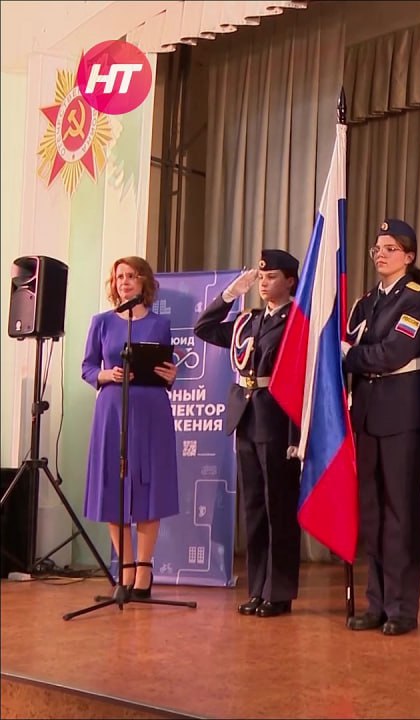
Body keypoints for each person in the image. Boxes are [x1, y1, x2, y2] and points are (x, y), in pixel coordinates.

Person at [194, 250, 302, 618]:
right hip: (246, 416)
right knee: (254, 509)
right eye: (260, 276)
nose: (264, 282)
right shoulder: (248, 320)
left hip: (276, 418)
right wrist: (227, 295)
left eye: (270, 276)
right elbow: (204, 329)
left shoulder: (296, 320)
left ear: (289, 280)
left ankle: (280, 591)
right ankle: (258, 588)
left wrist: (295, 435)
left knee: (278, 508)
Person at [343, 218, 420, 637]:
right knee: (374, 514)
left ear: (409, 256)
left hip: (403, 414)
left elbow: (394, 353)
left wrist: (350, 356)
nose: (380, 254)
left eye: (389, 248)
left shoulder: (417, 300)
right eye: (376, 248)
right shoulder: (366, 303)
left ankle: (403, 607)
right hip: (368, 413)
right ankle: (376, 602)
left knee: (402, 513)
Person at [81, 256, 180, 600]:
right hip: (112, 411)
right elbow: (88, 367)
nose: (124, 281)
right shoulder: (102, 322)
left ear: (144, 282)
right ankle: (123, 568)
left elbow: (167, 367)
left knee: (148, 487)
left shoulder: (160, 323)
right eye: (119, 276)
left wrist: (172, 375)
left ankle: (144, 570)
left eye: (132, 276)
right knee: (115, 486)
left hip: (151, 411)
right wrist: (107, 375)